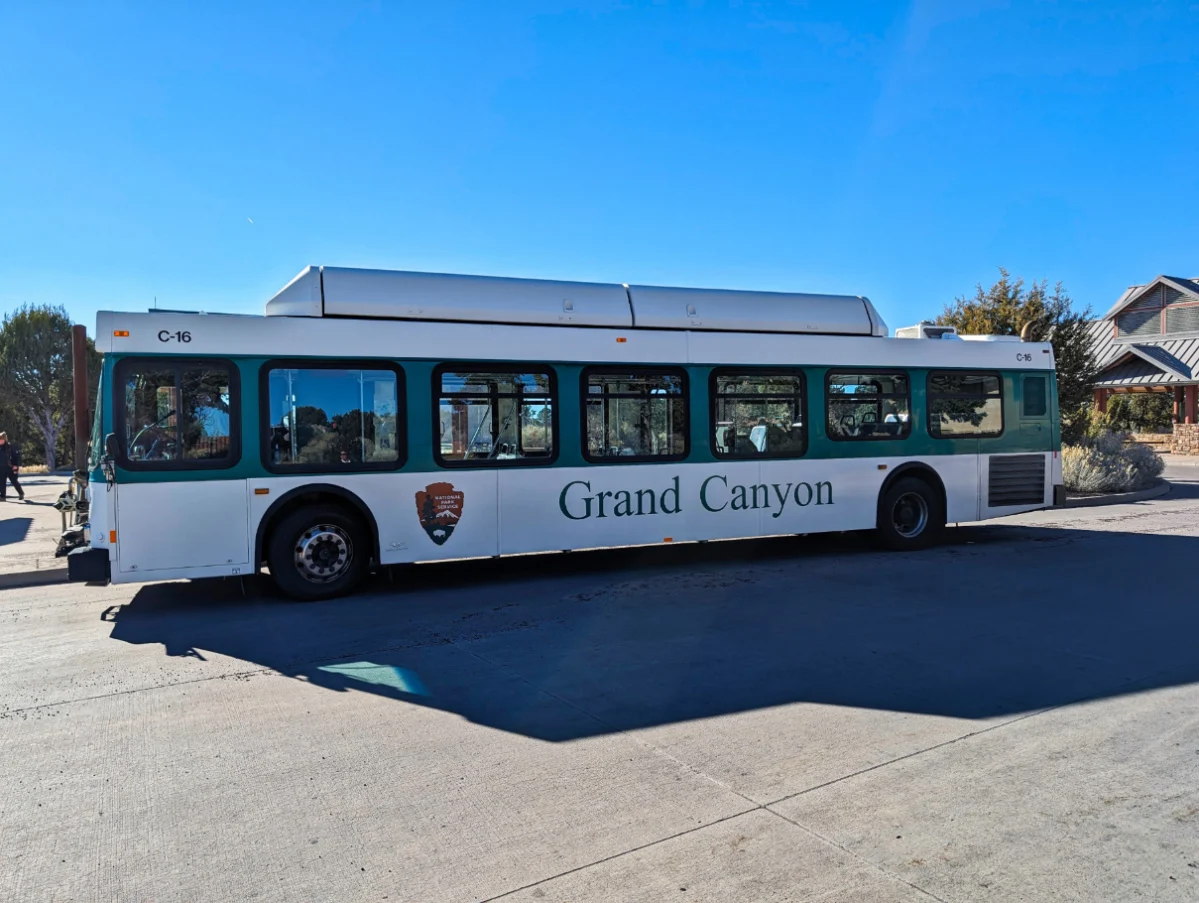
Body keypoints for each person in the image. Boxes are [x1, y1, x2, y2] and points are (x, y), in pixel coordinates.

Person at [0, 433, 25, 501]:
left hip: (10, 467)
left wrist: (16, 466)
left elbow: (16, 457)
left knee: (14, 481)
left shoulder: (10, 447)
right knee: (2, 482)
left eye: (1, 439)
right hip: (1, 468)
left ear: (4, 439)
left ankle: (21, 493)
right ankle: (2, 496)